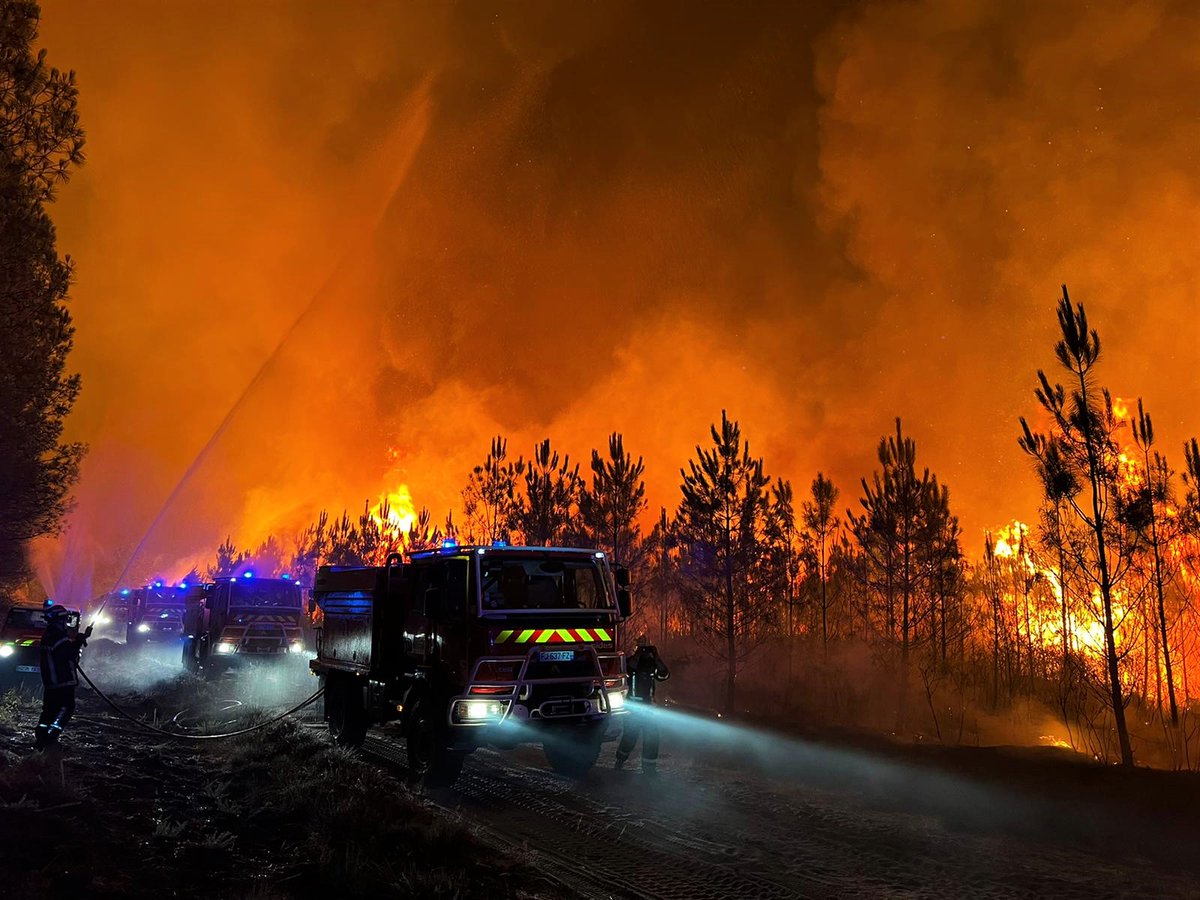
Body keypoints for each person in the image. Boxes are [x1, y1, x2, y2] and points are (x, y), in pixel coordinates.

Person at [35, 604, 90, 751]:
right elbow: (69, 656)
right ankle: (51, 737)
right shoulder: (58, 636)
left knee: (49, 710)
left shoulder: (50, 635)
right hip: (62, 681)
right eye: (65, 619)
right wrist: (78, 640)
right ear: (59, 620)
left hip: (51, 682)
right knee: (67, 708)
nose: (66, 622)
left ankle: (41, 740)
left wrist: (79, 639)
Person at [615, 634, 670, 776]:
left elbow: (664, 674)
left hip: (649, 708)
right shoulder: (631, 662)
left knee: (652, 737)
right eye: (642, 647)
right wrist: (638, 654)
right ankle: (619, 762)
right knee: (630, 737)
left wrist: (656, 656)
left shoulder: (652, 664)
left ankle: (649, 770)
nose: (645, 651)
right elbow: (628, 670)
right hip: (632, 707)